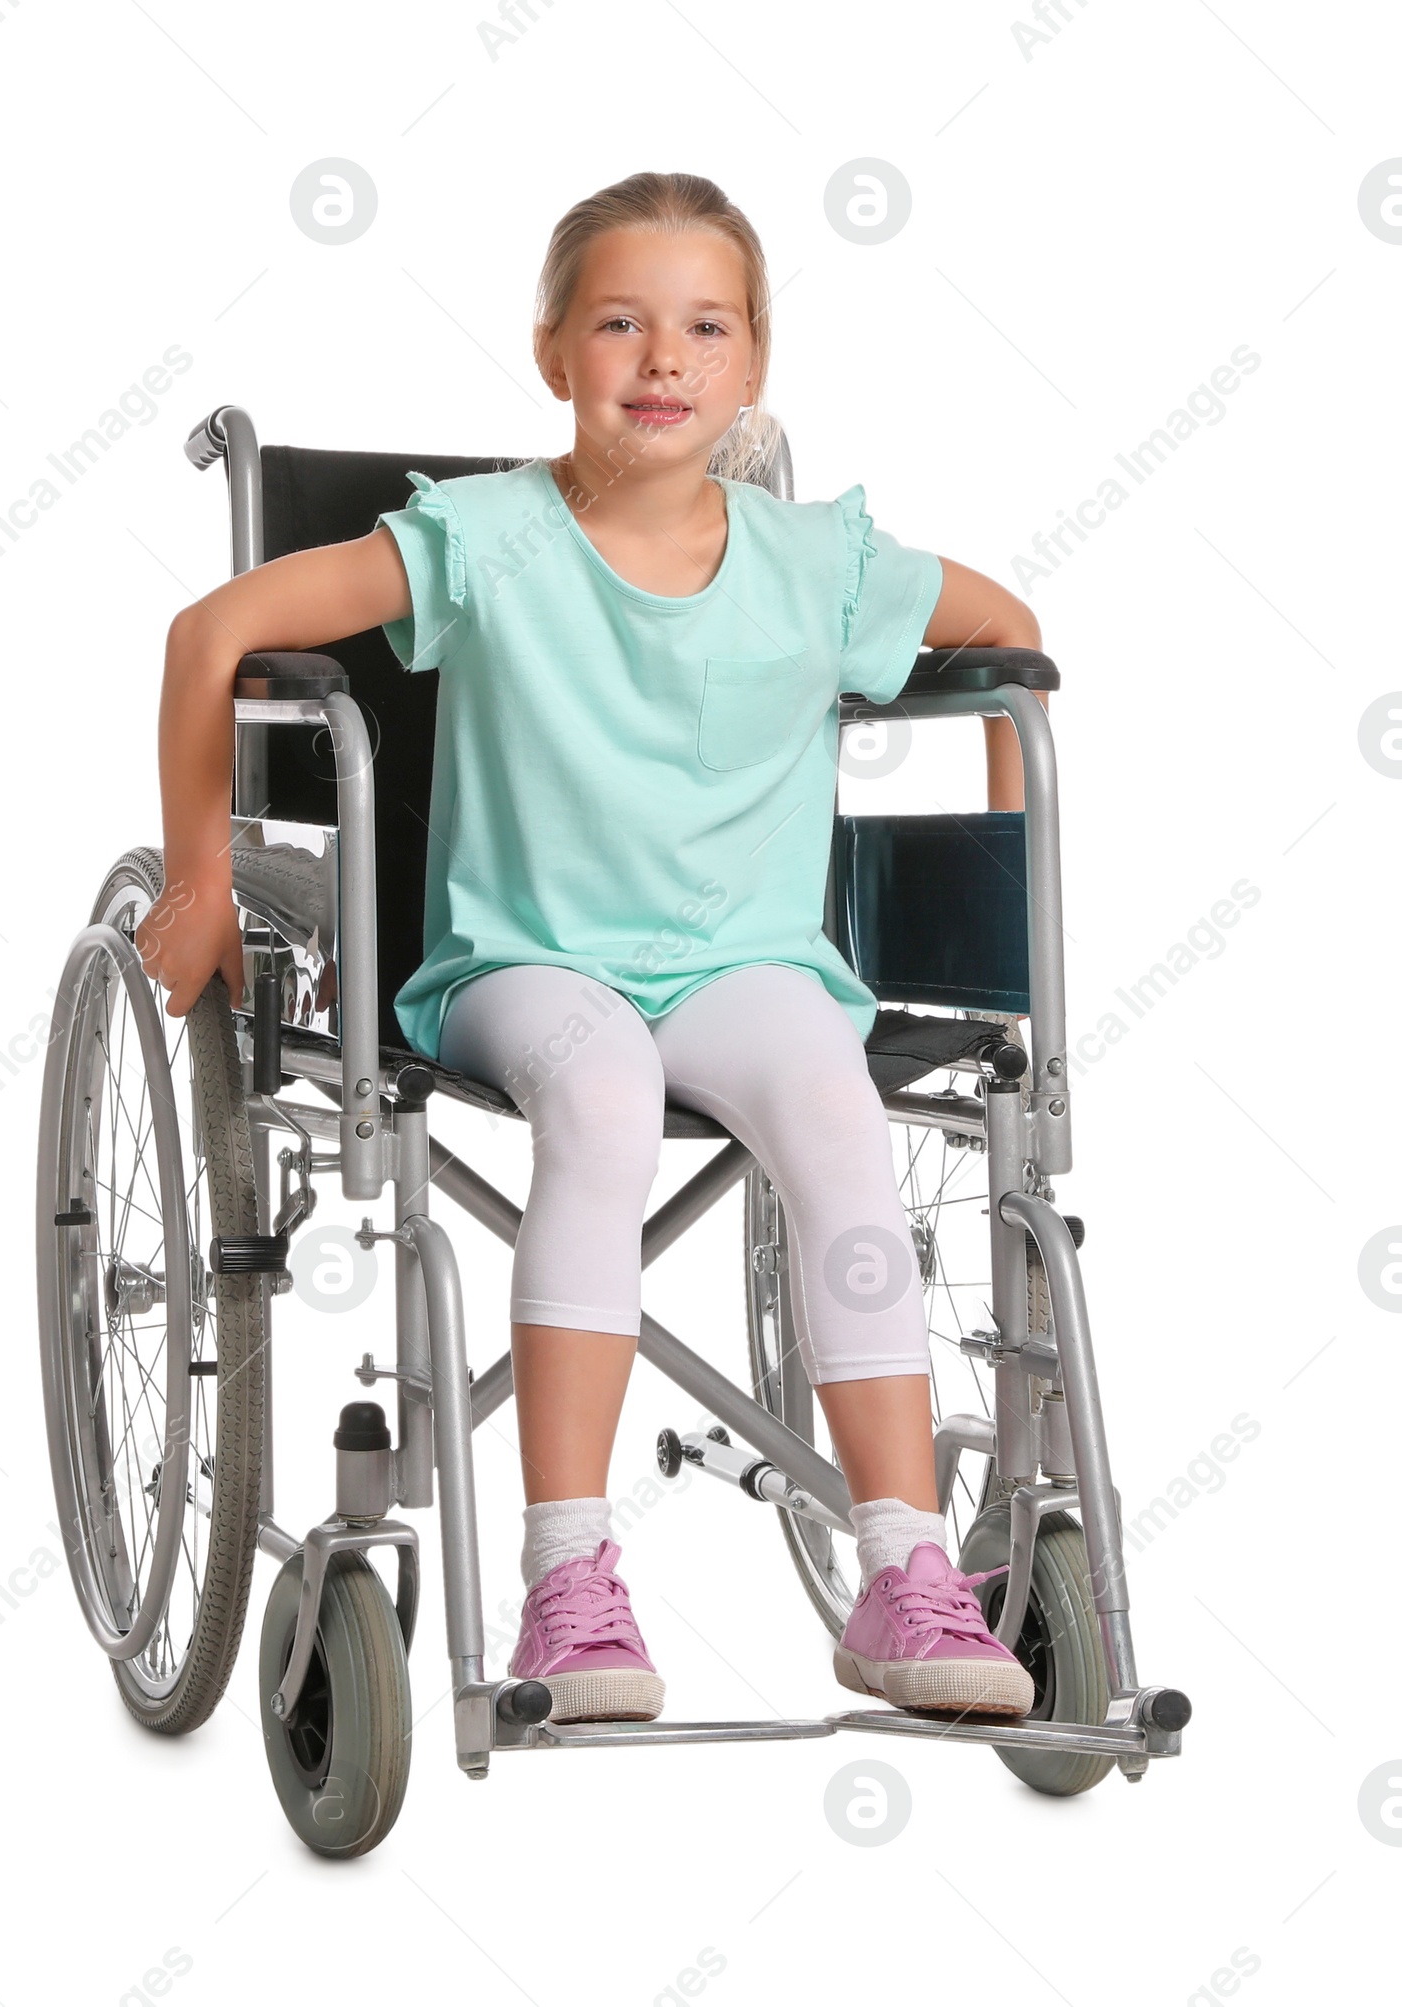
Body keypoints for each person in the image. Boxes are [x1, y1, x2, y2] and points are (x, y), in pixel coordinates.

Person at [139, 170, 1049, 1726]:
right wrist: (206, 873)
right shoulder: (483, 536)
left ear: (754, 368)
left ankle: (906, 1567)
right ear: (555, 352)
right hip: (525, 965)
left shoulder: (816, 563)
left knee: (834, 1100)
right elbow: (211, 634)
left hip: (747, 967)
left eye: (705, 327)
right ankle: (571, 1575)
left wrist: (998, 901)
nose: (663, 359)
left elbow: (1014, 641)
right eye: (621, 323)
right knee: (608, 1092)